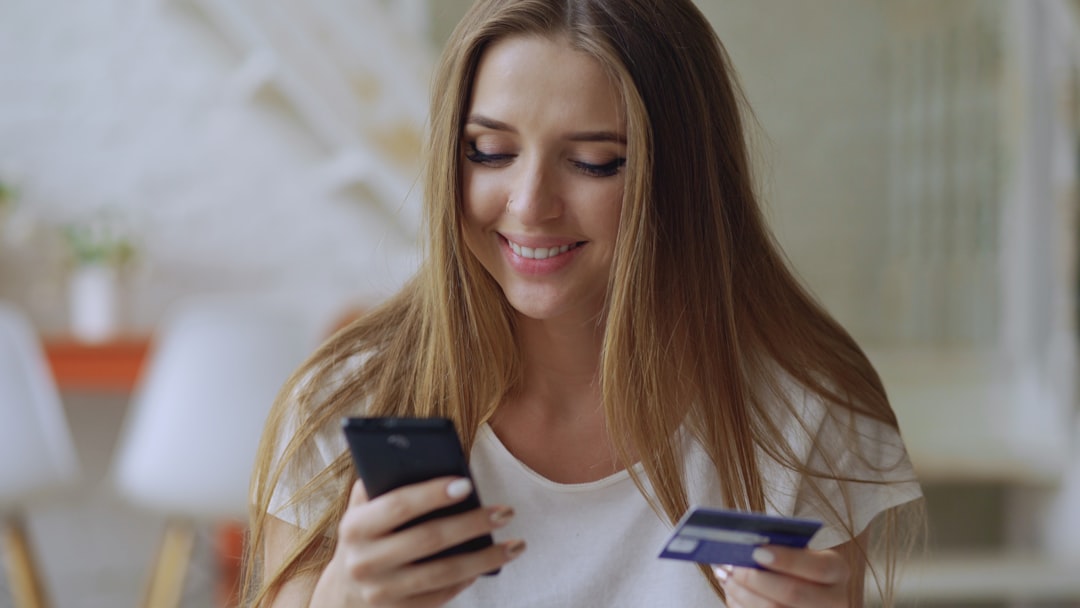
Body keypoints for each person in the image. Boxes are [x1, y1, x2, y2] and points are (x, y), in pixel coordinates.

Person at [243, 0, 925, 606]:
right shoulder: (344, 407)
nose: (530, 204)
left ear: (683, 178)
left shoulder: (798, 419)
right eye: (489, 151)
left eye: (595, 161)